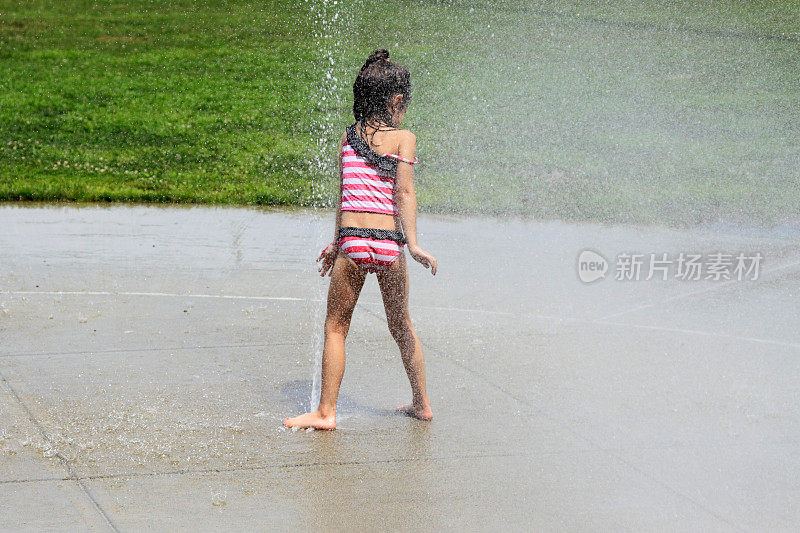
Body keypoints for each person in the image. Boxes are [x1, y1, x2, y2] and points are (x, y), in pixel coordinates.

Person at [283, 49, 438, 430]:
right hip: (388, 241)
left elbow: (344, 194)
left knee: (336, 327)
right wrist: (413, 243)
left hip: (352, 240)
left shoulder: (348, 137)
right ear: (396, 101)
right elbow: (404, 193)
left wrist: (337, 242)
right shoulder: (404, 139)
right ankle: (422, 403)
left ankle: (326, 412)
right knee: (401, 324)